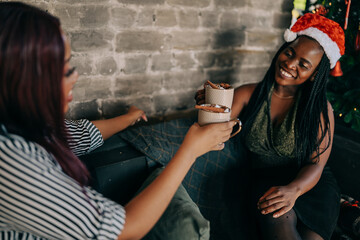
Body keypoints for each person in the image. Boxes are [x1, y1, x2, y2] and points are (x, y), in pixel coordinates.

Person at [0, 2, 236, 239]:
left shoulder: (22, 123)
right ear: (23, 79)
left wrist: (128, 118)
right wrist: (190, 151)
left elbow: (75, 135)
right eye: (63, 70)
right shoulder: (11, 160)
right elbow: (122, 230)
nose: (76, 76)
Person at [197, 13, 344, 240]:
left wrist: (293, 190)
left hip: (310, 185)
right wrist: (209, 106)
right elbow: (213, 126)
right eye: (289, 52)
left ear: (314, 75)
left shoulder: (320, 109)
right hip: (267, 183)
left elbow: (316, 165)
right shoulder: (249, 94)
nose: (289, 63)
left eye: (303, 64)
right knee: (278, 220)